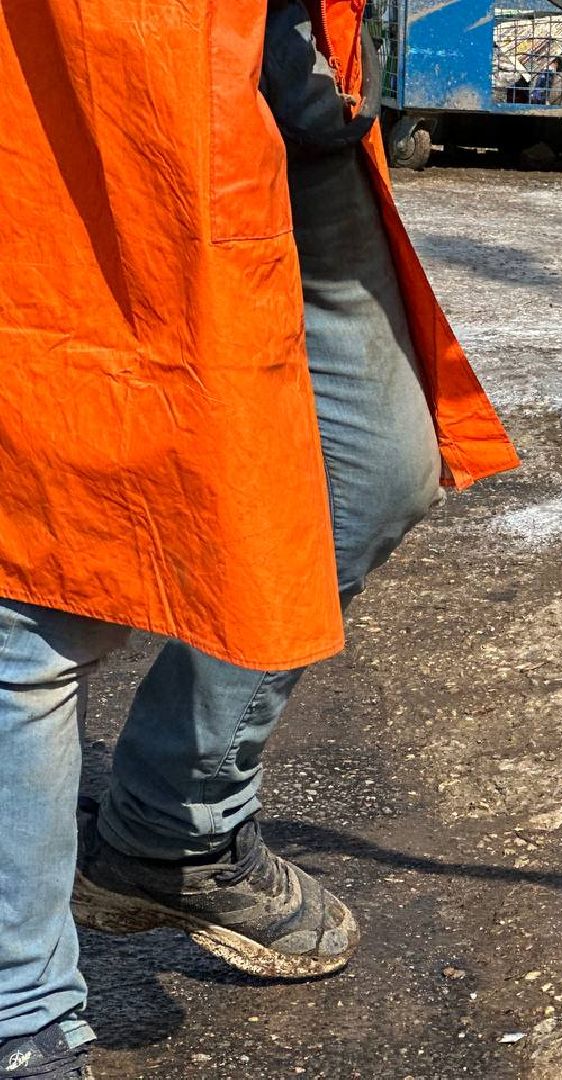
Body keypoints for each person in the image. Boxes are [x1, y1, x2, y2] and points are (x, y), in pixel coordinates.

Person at [0, 4, 519, 1076]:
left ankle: (169, 825)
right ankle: (22, 1007)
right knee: (40, 583)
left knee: (369, 468)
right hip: (89, 76)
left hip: (274, 64)